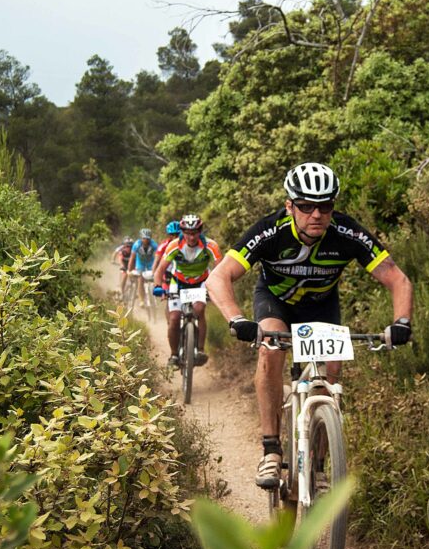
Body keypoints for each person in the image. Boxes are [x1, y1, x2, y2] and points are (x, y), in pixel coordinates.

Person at [205, 162, 413, 488]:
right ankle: (271, 451)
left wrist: (401, 322)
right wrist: (238, 319)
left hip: (321, 307)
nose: (316, 214)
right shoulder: (270, 231)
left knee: (331, 375)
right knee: (270, 350)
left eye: (325, 206)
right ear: (290, 206)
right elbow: (218, 277)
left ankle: (317, 465)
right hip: (276, 302)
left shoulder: (346, 233)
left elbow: (397, 279)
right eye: (305, 206)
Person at [153, 214, 222, 368]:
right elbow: (160, 270)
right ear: (182, 232)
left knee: (199, 309)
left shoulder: (211, 246)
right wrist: (158, 287)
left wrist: (217, 288)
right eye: (188, 233)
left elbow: (220, 269)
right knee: (175, 317)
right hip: (178, 282)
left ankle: (200, 350)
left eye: (195, 232)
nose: (191, 237)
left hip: (201, 282)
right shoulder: (174, 245)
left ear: (200, 231)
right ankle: (174, 355)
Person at [127, 228, 159, 306]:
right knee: (140, 279)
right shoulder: (136, 245)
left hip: (150, 263)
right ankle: (141, 300)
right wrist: (129, 270)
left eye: (148, 239)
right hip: (140, 263)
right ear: (141, 238)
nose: (146, 240)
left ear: (150, 238)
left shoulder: (154, 244)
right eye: (144, 238)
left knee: (155, 276)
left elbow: (159, 256)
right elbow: (132, 258)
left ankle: (156, 295)